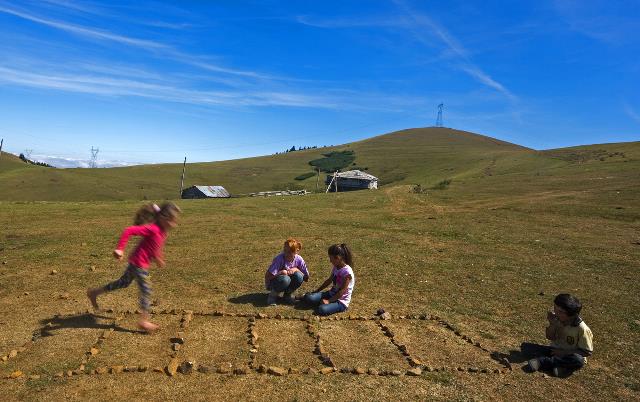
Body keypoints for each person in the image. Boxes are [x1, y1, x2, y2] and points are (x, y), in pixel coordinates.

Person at [87, 202, 180, 332]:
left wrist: (158, 258)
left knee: (122, 283)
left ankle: (94, 292)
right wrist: (120, 249)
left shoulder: (162, 231)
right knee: (146, 290)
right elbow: (128, 230)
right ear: (163, 219)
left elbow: (155, 246)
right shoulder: (153, 229)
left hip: (136, 262)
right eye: (172, 221)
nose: (174, 224)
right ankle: (144, 321)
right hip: (139, 264)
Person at [524, 293, 594, 377]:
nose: (556, 313)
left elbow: (586, 352)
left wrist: (563, 353)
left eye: (560, 312)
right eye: (555, 308)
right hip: (554, 350)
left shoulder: (582, 329)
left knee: (578, 360)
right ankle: (561, 368)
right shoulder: (557, 320)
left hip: (570, 355)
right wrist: (552, 324)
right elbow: (550, 337)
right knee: (526, 348)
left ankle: (542, 362)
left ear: (571, 315)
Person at [303, 243, 355, 316]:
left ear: (338, 258)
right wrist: (317, 291)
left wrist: (329, 301)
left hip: (341, 301)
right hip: (331, 294)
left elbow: (342, 291)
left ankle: (334, 306)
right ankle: (322, 302)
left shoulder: (347, 273)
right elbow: (329, 281)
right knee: (309, 298)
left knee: (322, 309)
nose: (330, 261)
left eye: (331, 258)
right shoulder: (336, 266)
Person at [265, 238, 309, 305]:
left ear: (296, 252)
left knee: (299, 276)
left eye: (290, 252)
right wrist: (280, 273)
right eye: (285, 251)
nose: (286, 254)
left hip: (286, 283)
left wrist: (296, 269)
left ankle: (287, 295)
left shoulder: (299, 259)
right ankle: (272, 296)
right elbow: (267, 277)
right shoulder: (279, 259)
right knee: (285, 279)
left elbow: (306, 278)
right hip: (273, 283)